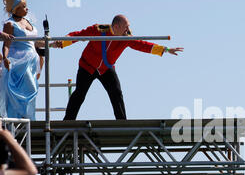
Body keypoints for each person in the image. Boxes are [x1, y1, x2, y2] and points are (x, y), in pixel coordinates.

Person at [55, 14, 184, 120]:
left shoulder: (126, 37)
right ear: (116, 27)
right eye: (126, 27)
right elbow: (79, 35)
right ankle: (68, 122)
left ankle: (122, 123)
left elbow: (142, 44)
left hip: (106, 69)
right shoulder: (99, 29)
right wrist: (62, 42)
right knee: (80, 94)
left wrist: (165, 49)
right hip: (87, 66)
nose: (128, 30)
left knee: (116, 93)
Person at [1, 0, 53, 120]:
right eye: (23, 7)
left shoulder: (28, 21)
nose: (27, 9)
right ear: (15, 9)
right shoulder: (10, 24)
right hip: (18, 62)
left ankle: (29, 119)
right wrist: (5, 58)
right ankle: (16, 121)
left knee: (32, 90)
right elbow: (6, 44)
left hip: (32, 62)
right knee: (23, 91)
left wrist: (51, 44)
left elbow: (34, 42)